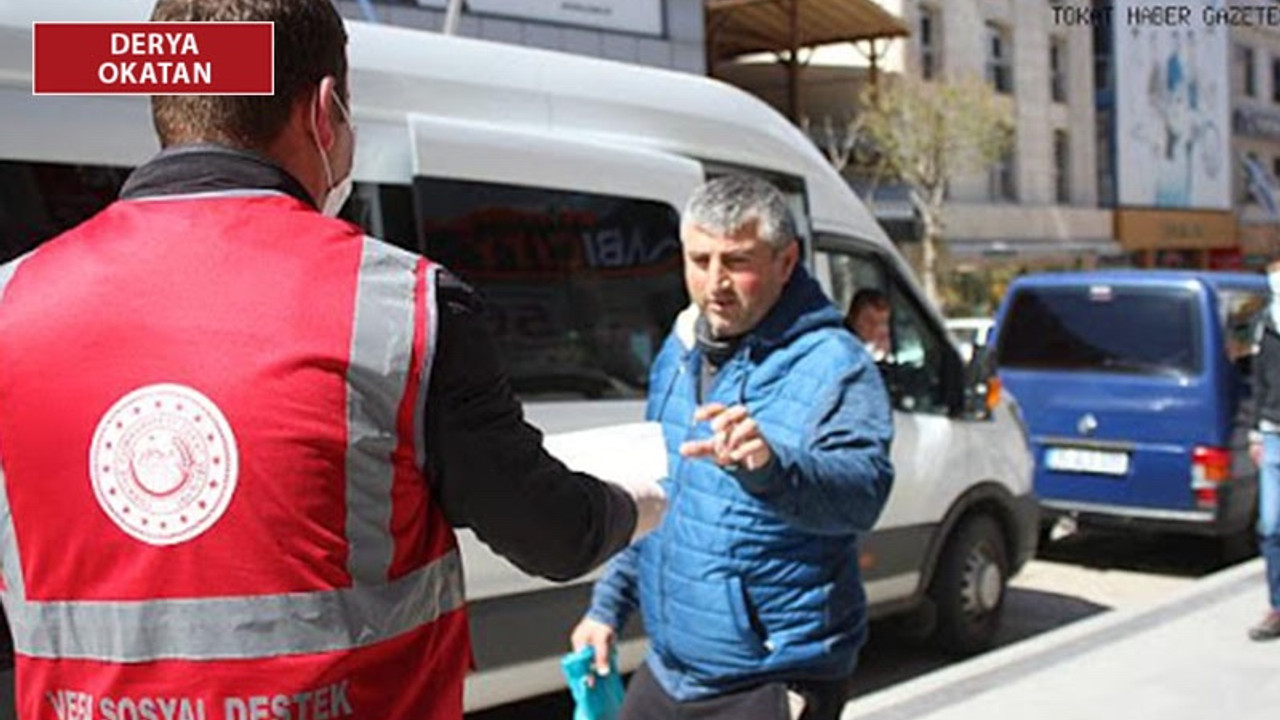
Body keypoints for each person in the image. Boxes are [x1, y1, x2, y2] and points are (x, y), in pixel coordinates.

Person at [0, 1, 662, 718]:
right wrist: (646, 499)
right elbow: (552, 533)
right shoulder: (404, 306)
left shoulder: (12, 300)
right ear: (324, 111)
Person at [570, 175, 895, 720]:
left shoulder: (835, 365)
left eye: (737, 262)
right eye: (699, 260)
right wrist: (607, 608)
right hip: (671, 666)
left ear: (786, 262)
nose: (714, 282)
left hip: (772, 677)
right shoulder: (677, 353)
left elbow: (863, 496)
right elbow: (657, 497)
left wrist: (771, 467)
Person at [1248, 258, 1280, 641]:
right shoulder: (1264, 325)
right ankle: (1277, 606)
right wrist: (1256, 433)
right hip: (1272, 435)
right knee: (1271, 524)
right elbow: (1257, 383)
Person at [845, 287, 892, 362]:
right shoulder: (843, 345)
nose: (876, 330)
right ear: (853, 318)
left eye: (882, 323)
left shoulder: (882, 342)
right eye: (870, 322)